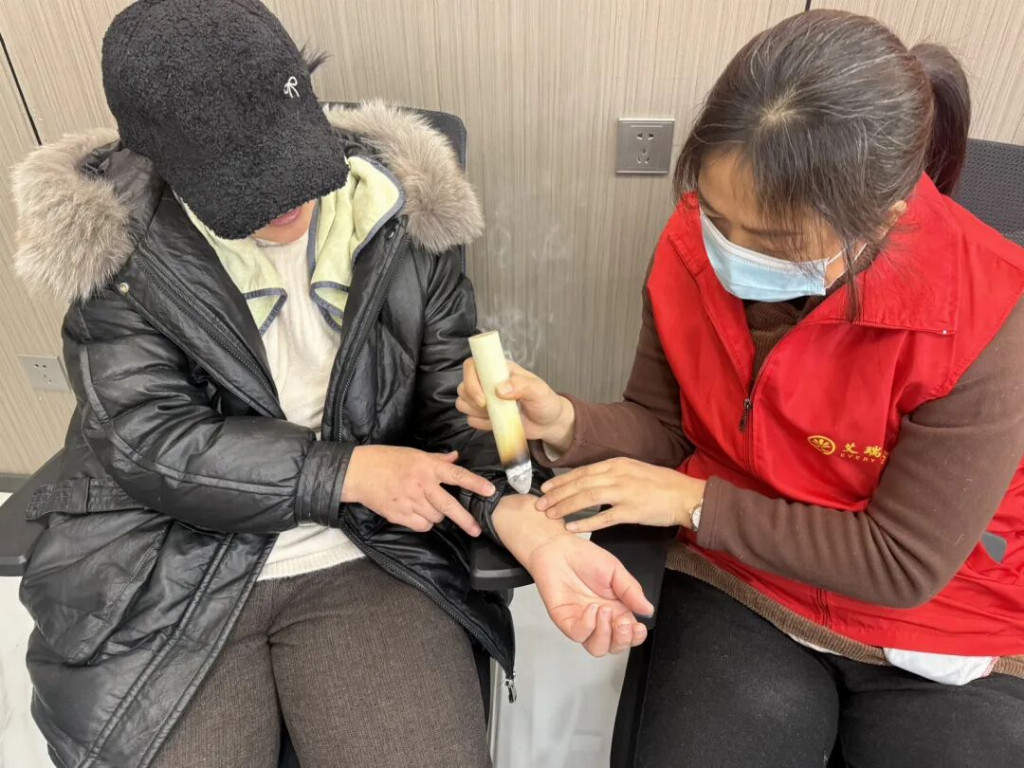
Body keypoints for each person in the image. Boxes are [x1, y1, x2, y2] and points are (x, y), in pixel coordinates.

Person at [11, 1, 650, 766]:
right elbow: (153, 441)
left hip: (366, 550)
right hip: (171, 559)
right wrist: (344, 470)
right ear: (157, 162)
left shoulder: (402, 217)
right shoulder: (116, 246)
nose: (289, 202)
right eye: (247, 189)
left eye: (293, 164)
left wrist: (520, 517)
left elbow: (451, 415)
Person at [460, 9, 1024, 767]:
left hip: (942, 624)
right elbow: (668, 428)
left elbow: (903, 562)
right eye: (720, 216)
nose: (730, 252)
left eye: (776, 242)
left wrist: (696, 502)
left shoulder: (990, 316)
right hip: (744, 584)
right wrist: (562, 422)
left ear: (882, 220)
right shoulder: (692, 241)